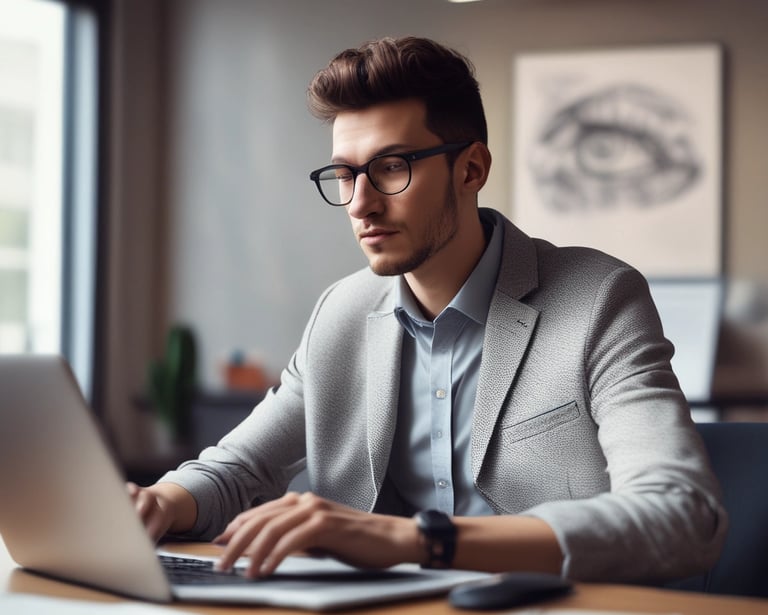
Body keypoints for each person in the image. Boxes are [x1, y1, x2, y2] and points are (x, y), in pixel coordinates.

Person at [128, 36, 726, 583]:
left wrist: (414, 540)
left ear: (471, 169)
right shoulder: (341, 313)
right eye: (344, 173)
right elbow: (239, 469)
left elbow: (681, 516)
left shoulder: (599, 298)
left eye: (391, 167)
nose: (360, 204)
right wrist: (159, 502)